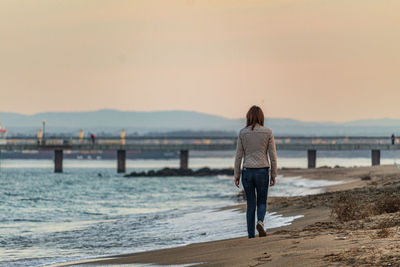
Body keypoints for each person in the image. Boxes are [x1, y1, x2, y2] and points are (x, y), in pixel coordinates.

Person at [234, 105, 277, 238]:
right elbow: (273, 156)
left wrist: (237, 174)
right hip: (262, 171)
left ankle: (251, 235)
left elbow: (238, 156)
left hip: (247, 171)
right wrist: (273, 174)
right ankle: (260, 222)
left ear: (248, 117)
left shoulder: (242, 133)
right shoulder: (268, 132)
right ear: (261, 117)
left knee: (251, 204)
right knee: (262, 202)